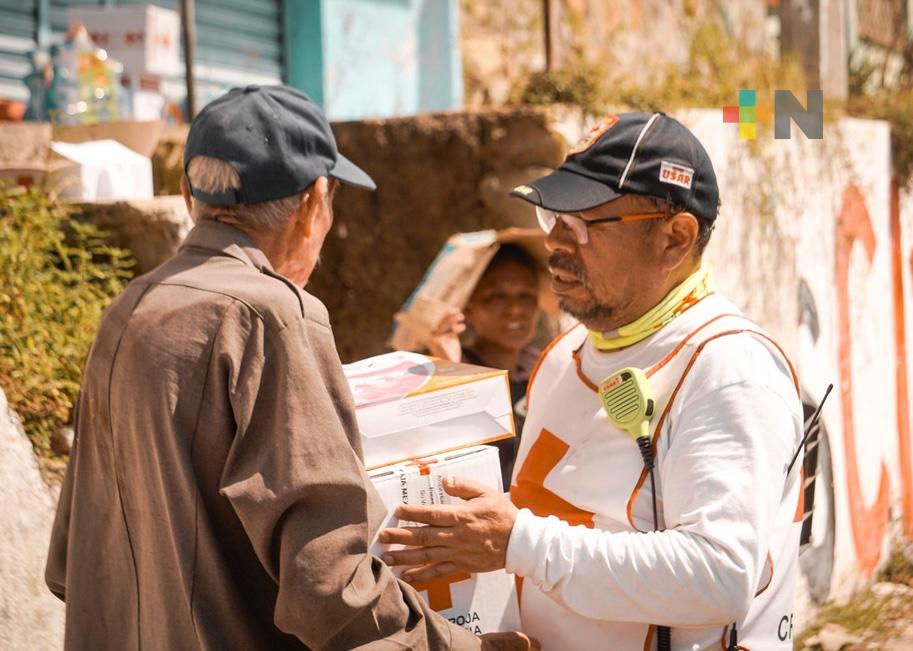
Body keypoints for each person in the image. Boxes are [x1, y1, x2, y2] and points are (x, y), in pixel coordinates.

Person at [44, 84, 534, 651]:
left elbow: (69, 565)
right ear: (313, 203)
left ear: (187, 195)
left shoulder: (130, 308)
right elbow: (330, 588)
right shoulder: (274, 315)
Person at [379, 112, 804, 650]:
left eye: (582, 224)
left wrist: (517, 542)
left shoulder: (729, 369)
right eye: (551, 217)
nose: (555, 242)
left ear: (674, 238)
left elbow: (720, 576)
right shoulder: (563, 357)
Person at [423, 243, 544, 489]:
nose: (515, 309)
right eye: (497, 297)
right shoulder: (446, 365)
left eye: (526, 296)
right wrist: (451, 372)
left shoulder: (545, 374)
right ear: (469, 307)